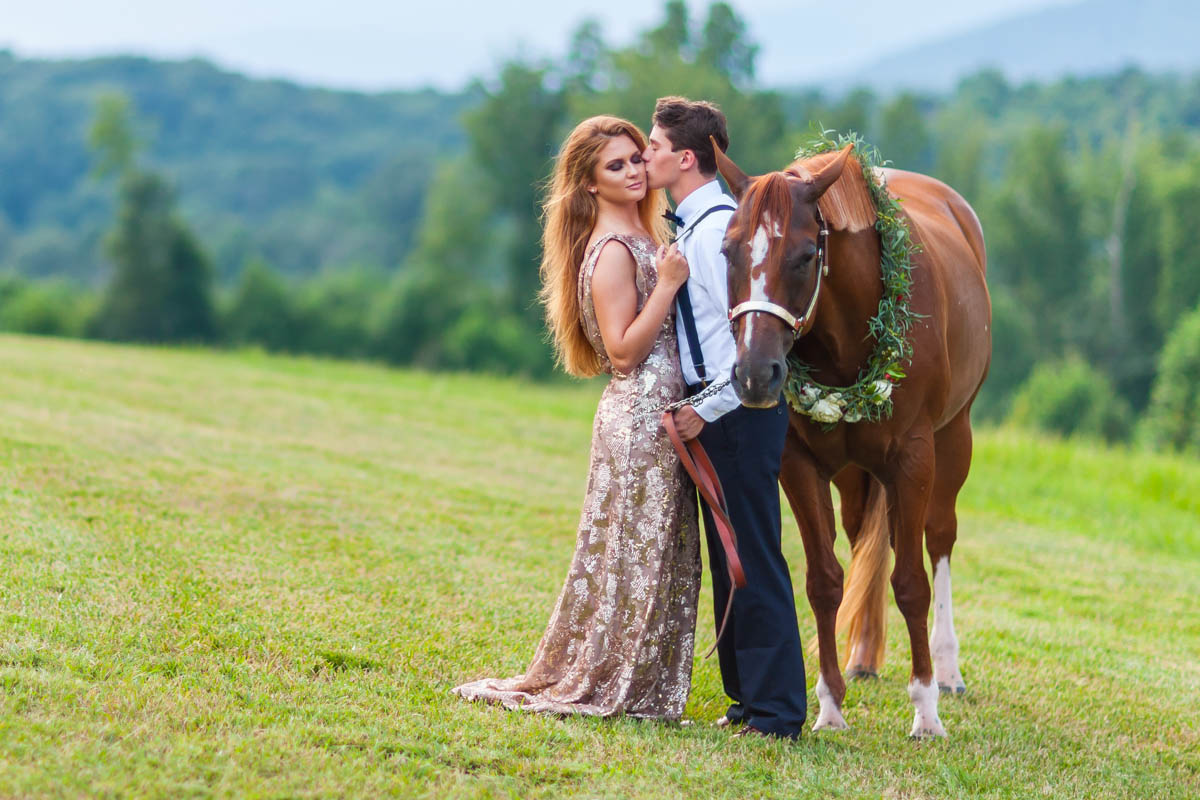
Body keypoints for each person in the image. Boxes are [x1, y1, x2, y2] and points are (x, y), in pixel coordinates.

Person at [453, 116, 703, 721]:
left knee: (655, 551)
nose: (634, 171)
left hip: (659, 415)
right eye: (615, 166)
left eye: (636, 159)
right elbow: (621, 351)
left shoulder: (641, 235)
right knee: (631, 553)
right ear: (590, 184)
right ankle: (611, 680)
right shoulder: (614, 249)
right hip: (643, 417)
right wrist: (668, 285)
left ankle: (644, 677)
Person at [642, 96, 807, 739]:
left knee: (754, 556)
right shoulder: (697, 225)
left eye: (654, 147)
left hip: (739, 412)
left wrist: (702, 411)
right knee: (727, 555)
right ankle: (746, 699)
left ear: (685, 158)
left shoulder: (716, 233)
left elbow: (745, 346)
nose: (646, 155)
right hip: (718, 417)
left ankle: (776, 713)